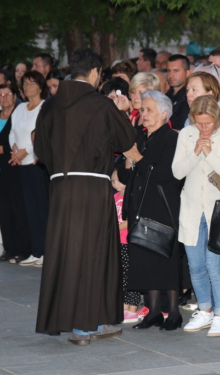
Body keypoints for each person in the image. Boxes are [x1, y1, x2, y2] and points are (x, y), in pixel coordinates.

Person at [34, 48, 136, 345]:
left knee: (68, 252)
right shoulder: (100, 104)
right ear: (94, 72)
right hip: (92, 186)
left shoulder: (49, 106)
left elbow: (40, 150)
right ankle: (84, 327)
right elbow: (126, 140)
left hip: (61, 188)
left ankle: (95, 319)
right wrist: (120, 111)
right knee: (94, 253)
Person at [172, 95, 220, 336]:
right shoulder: (186, 134)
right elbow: (177, 172)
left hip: (216, 210)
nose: (203, 128)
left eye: (208, 123)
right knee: (196, 266)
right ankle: (205, 310)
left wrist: (209, 153)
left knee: (213, 265)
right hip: (190, 208)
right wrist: (196, 151)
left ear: (217, 119)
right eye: (199, 123)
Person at [118, 90, 183, 331]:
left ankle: (174, 313)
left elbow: (166, 174)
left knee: (165, 259)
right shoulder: (141, 137)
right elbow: (125, 176)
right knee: (145, 261)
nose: (143, 114)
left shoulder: (171, 138)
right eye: (142, 110)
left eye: (149, 110)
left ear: (164, 113)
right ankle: (154, 311)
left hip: (163, 206)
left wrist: (138, 158)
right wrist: (129, 158)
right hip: (139, 207)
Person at [9, 71, 49, 268]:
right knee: (29, 210)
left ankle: (44, 251)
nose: (27, 87)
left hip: (36, 164)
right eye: (25, 83)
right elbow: (12, 132)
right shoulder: (20, 109)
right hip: (21, 165)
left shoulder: (44, 107)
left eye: (32, 83)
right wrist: (15, 149)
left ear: (41, 87)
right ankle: (35, 250)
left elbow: (44, 134)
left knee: (42, 209)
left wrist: (28, 151)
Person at [0, 81, 32, 263]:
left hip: (14, 166)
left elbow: (18, 139)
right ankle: (9, 248)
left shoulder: (18, 115)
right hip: (1, 170)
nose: (4, 99)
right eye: (1, 95)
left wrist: (3, 150)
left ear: (14, 96)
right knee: (3, 210)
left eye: (7, 95)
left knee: (17, 208)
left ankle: (22, 248)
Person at [111, 168, 141, 324]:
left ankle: (133, 308)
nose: (114, 183)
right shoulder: (114, 197)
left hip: (127, 241)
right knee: (122, 276)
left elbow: (129, 222)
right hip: (118, 242)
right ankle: (124, 306)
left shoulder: (129, 198)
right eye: (112, 181)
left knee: (131, 275)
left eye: (117, 180)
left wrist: (114, 228)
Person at [166, 54, 191, 130]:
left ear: (187, 73)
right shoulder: (166, 96)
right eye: (168, 71)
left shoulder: (190, 96)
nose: (171, 75)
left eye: (176, 71)